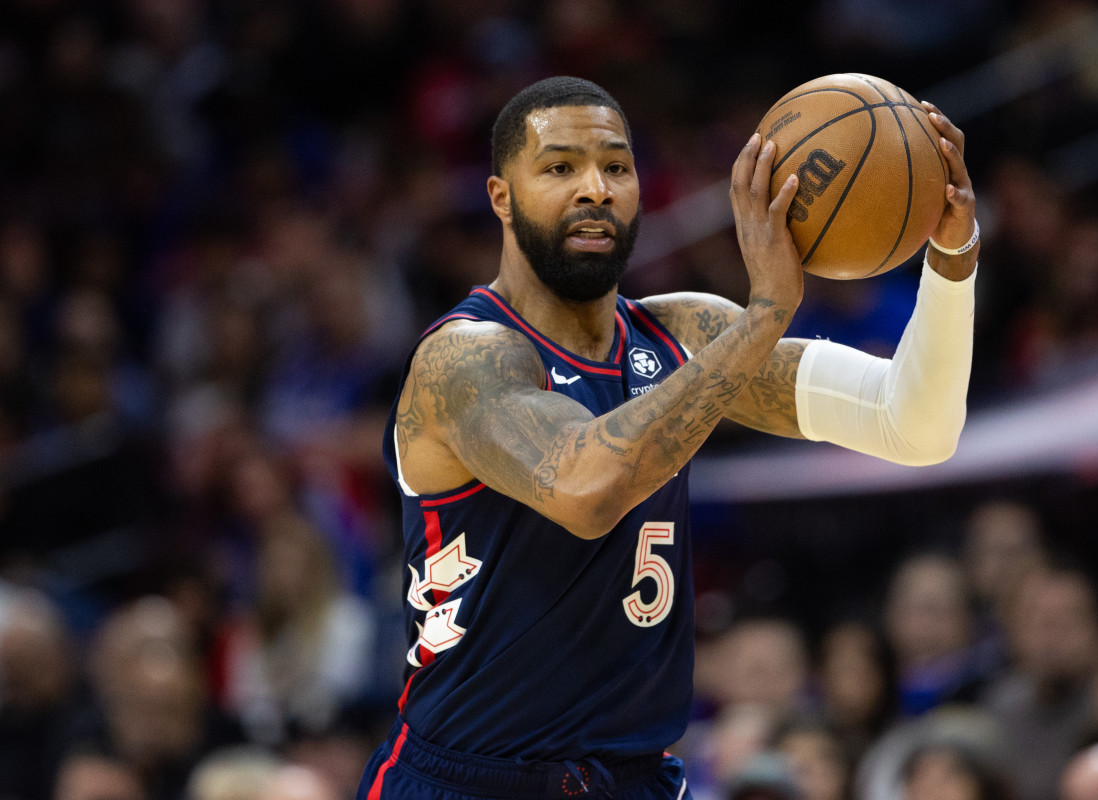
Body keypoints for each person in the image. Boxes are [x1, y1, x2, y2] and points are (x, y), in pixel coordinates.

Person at [358, 75, 980, 799]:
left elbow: (912, 425)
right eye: (560, 167)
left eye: (616, 167)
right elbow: (585, 487)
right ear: (502, 197)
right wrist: (763, 315)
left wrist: (953, 255)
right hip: (471, 781)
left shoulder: (682, 333)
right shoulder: (466, 359)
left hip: (634, 780)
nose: (595, 188)